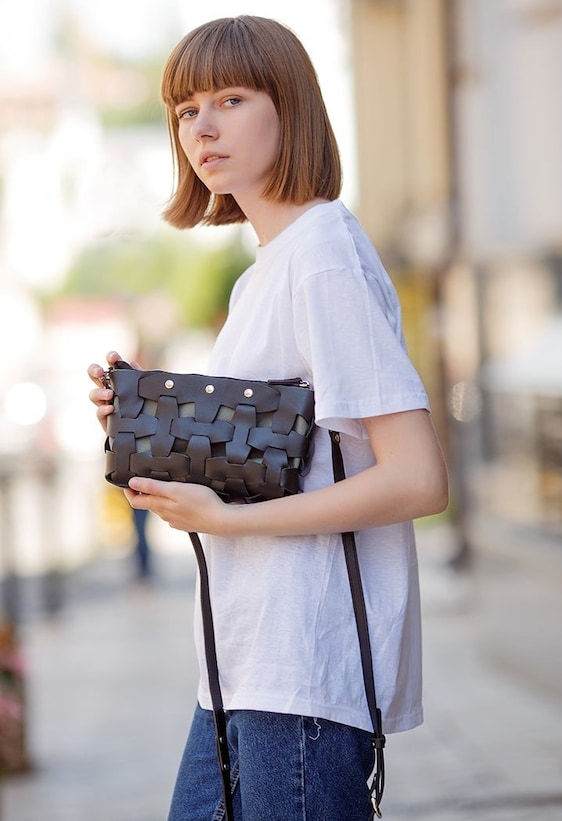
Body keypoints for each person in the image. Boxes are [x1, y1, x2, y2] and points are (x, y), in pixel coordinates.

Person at [88, 15, 448, 821]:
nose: (203, 127)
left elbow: (418, 477)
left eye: (231, 98)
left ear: (290, 108)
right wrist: (145, 413)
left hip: (302, 668)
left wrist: (232, 524)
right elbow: (281, 445)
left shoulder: (321, 254)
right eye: (185, 110)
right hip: (247, 662)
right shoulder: (271, 267)